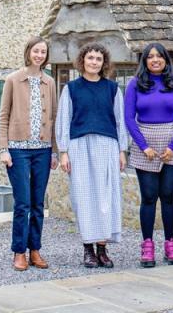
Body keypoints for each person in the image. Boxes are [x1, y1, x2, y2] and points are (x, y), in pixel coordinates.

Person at [56, 42, 129, 269]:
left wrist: (122, 150)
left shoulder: (112, 89)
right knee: (85, 198)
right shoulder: (71, 89)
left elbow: (120, 121)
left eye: (98, 59)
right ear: (83, 61)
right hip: (80, 146)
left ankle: (102, 249)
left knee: (106, 198)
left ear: (103, 62)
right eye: (90, 58)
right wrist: (64, 152)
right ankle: (88, 248)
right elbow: (64, 120)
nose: (94, 62)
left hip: (107, 145)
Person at [124, 42, 173, 268]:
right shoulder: (135, 84)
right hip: (145, 144)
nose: (155, 60)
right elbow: (128, 119)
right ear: (144, 61)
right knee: (149, 197)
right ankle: (147, 245)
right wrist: (144, 146)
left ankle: (171, 244)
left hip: (172, 142)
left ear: (165, 59)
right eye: (150, 57)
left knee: (169, 196)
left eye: (159, 57)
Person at [0, 36, 59, 271]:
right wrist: (4, 149)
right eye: (36, 51)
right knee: (22, 203)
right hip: (18, 150)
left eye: (43, 52)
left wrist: (54, 151)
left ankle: (35, 250)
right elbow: (3, 116)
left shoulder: (49, 82)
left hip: (42, 151)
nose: (39, 55)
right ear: (28, 52)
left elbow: (52, 117)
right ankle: (19, 252)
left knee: (38, 203)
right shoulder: (13, 79)